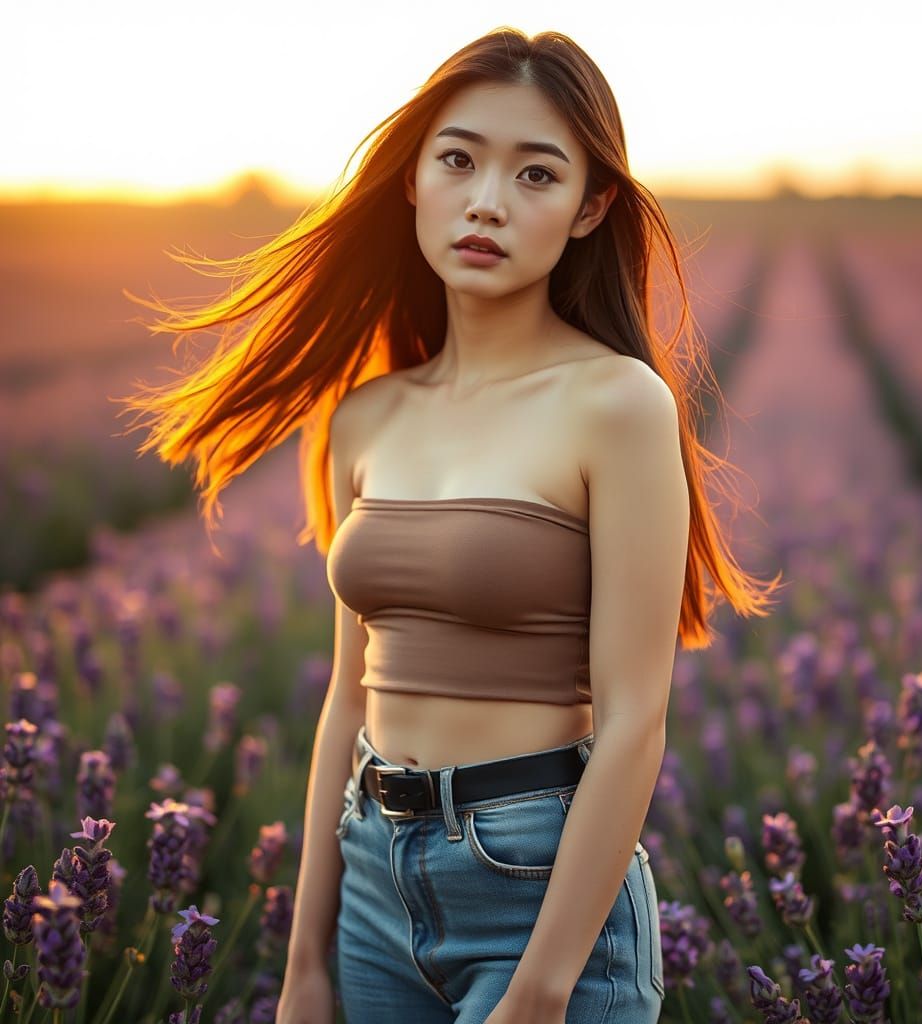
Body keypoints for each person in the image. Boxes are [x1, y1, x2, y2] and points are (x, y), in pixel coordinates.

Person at [116, 26, 780, 1024]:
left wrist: (542, 989)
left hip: (538, 889)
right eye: (459, 159)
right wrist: (305, 964)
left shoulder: (616, 404)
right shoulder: (365, 416)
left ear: (591, 207)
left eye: (536, 174)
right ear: (414, 178)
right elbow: (348, 698)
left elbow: (634, 719)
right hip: (372, 887)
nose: (487, 201)